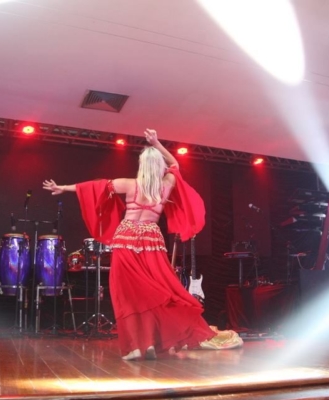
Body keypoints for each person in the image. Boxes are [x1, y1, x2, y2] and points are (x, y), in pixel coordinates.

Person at [43, 129, 242, 360]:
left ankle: (139, 345)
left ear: (141, 165)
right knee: (155, 290)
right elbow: (175, 164)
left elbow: (94, 187)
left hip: (126, 238)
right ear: (159, 167)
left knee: (128, 294)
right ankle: (146, 344)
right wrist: (157, 143)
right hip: (151, 241)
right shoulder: (165, 185)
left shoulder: (129, 184)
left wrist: (63, 187)